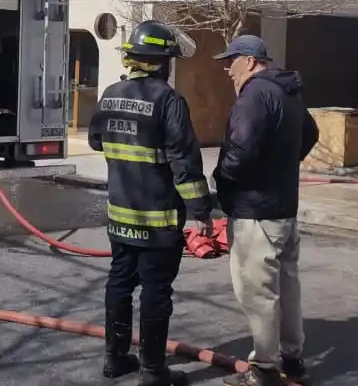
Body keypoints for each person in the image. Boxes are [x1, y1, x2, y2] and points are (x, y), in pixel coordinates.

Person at [88, 19, 213, 386]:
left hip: (118, 215)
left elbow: (97, 141)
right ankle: (153, 371)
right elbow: (185, 163)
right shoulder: (169, 101)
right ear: (162, 62)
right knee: (156, 291)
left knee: (120, 282)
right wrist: (201, 212)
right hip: (157, 221)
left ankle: (114, 359)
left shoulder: (110, 93)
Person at [212, 35, 318, 386]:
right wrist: (282, 167)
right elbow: (311, 133)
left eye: (233, 61)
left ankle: (265, 369)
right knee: (287, 286)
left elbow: (238, 153)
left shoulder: (255, 95)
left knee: (258, 293)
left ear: (251, 61)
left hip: (255, 212)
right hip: (284, 208)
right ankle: (293, 357)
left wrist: (223, 183)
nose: (228, 70)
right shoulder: (287, 93)